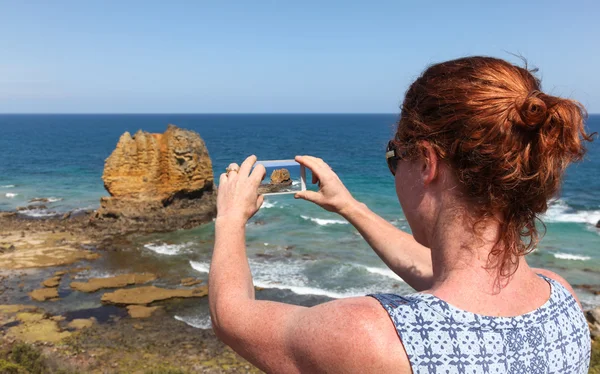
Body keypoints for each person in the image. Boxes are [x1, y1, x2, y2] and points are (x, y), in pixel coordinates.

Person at [209, 56, 593, 373]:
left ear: (427, 162)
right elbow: (446, 275)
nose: (393, 168)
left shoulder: (374, 338)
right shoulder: (562, 299)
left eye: (395, 157)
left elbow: (234, 317)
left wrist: (229, 219)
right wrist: (349, 206)